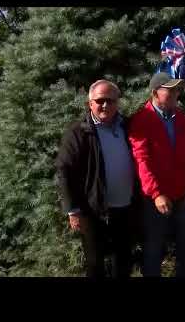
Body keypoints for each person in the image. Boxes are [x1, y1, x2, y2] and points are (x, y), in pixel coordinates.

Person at [56, 79, 138, 278]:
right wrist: (72, 209)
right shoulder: (79, 131)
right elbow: (64, 169)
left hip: (125, 206)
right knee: (95, 263)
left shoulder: (127, 126)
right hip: (92, 209)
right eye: (100, 100)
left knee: (124, 260)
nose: (105, 105)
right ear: (90, 103)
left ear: (117, 102)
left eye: (110, 100)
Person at [129, 72, 185, 277]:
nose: (176, 93)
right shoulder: (142, 120)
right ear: (154, 93)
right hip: (156, 200)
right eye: (170, 89)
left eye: (176, 89)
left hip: (182, 196)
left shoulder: (182, 120)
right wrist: (156, 193)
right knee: (154, 249)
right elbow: (142, 160)